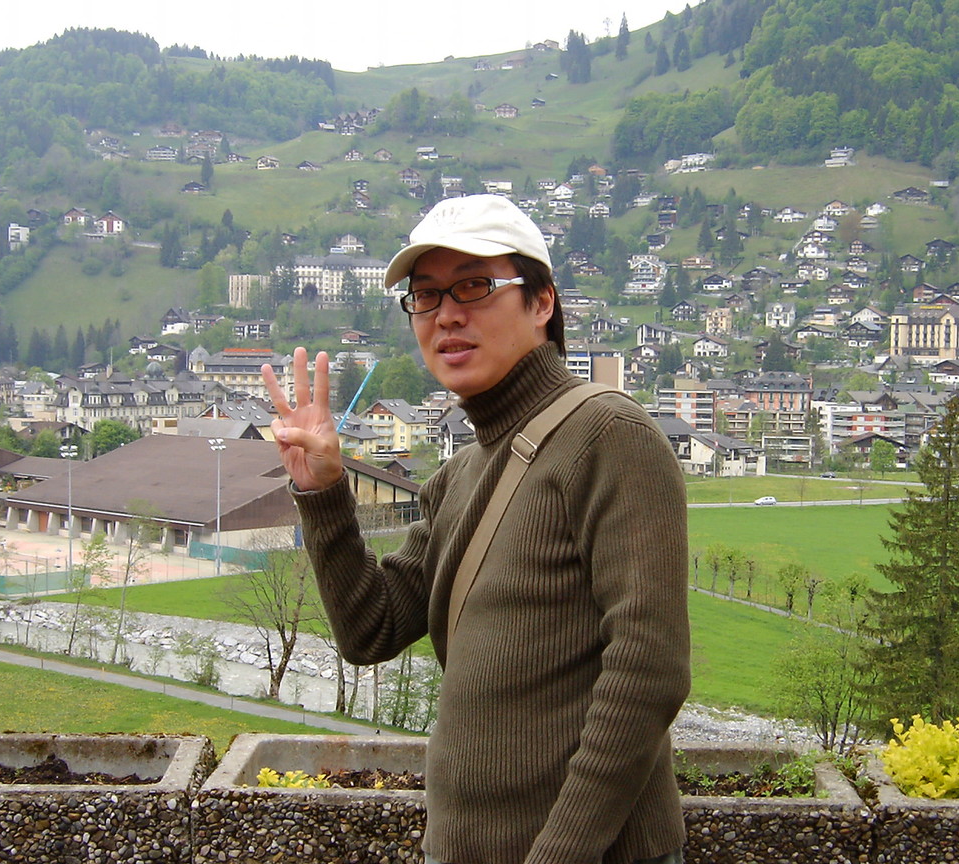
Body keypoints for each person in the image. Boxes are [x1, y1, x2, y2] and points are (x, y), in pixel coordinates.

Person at [262, 194, 690, 864]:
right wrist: (322, 491)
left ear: (542, 302)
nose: (446, 314)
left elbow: (649, 667)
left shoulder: (609, 436)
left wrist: (559, 854)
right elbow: (369, 629)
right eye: (426, 295)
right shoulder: (461, 474)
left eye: (473, 286)